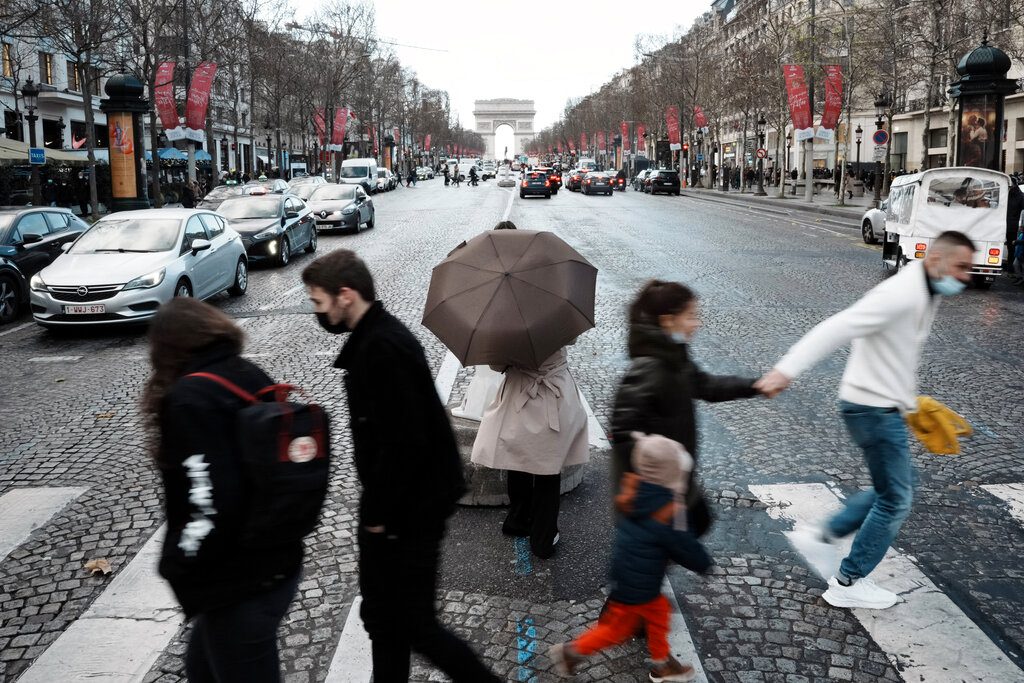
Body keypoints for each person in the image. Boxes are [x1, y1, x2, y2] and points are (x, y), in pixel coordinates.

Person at [301, 250, 500, 683]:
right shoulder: (377, 340)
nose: (317, 312)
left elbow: (403, 443)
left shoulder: (381, 348)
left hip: (408, 512)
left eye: (319, 302)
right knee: (385, 619)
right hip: (406, 506)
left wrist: (377, 517)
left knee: (413, 624)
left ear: (346, 296)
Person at [755, 231, 977, 610]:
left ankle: (827, 533)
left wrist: (909, 403)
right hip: (871, 410)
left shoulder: (925, 289)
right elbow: (839, 327)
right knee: (896, 498)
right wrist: (785, 370)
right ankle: (848, 580)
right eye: (961, 266)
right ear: (936, 260)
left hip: (880, 405)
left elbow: (894, 353)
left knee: (896, 485)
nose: (966, 276)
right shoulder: (900, 294)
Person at [142, 298, 301, 682]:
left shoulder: (189, 400)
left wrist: (177, 561)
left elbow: (208, 502)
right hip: (277, 560)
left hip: (237, 584)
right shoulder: (246, 373)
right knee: (202, 668)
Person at [548, 433, 711, 682]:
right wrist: (704, 563)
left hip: (626, 574)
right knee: (616, 631)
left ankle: (661, 662)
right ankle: (572, 652)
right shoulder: (668, 511)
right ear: (672, 474)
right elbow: (685, 547)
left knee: (658, 614)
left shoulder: (635, 492)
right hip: (638, 586)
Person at [611, 281, 761, 536]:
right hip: (655, 492)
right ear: (668, 321)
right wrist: (659, 461)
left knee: (699, 522)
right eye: (691, 316)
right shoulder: (651, 368)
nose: (697, 323)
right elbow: (622, 430)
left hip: (674, 483)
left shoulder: (673, 358)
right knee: (661, 554)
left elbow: (707, 386)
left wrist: (755, 386)